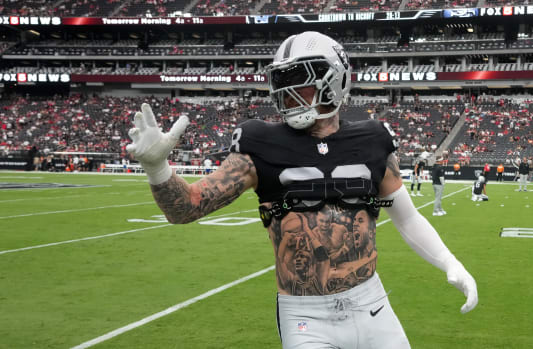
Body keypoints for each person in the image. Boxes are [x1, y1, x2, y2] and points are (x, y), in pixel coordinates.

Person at [126, 31, 477, 349]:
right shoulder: (259, 143)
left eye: (299, 79)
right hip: (306, 317)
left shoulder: (372, 140)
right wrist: (157, 168)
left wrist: (450, 261)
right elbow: (186, 207)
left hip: (372, 305)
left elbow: (407, 218)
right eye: (281, 79)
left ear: (334, 80)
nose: (287, 91)